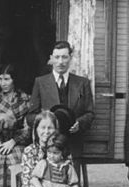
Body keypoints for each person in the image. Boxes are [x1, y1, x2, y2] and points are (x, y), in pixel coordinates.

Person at [28, 41, 94, 174]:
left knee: (72, 184)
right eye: (57, 57)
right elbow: (30, 117)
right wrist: (45, 123)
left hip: (73, 143)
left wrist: (79, 124)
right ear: (51, 58)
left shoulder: (82, 83)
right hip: (48, 144)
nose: (60, 61)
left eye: (64, 57)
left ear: (70, 58)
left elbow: (90, 113)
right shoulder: (40, 82)